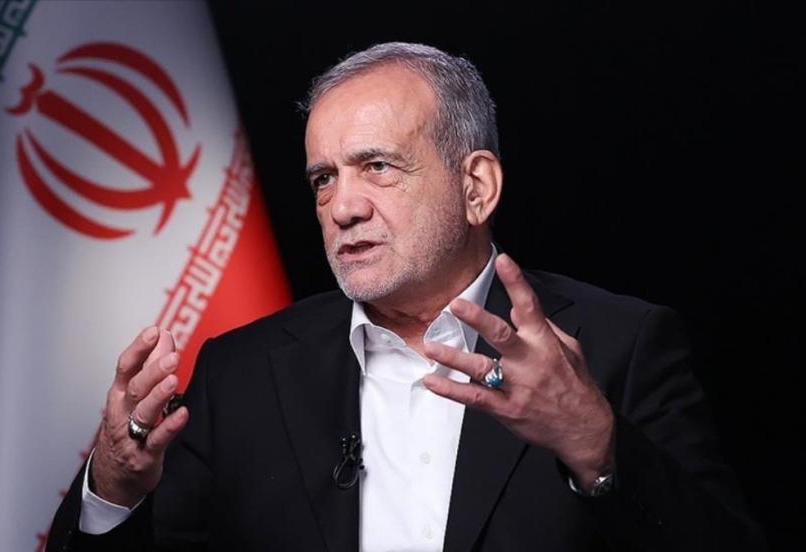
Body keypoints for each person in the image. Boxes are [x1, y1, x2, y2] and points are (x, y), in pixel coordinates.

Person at [47, 42, 765, 551]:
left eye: (378, 167)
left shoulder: (619, 346)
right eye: (323, 178)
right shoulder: (240, 373)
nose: (342, 207)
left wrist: (596, 445)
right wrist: (112, 490)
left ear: (476, 186)